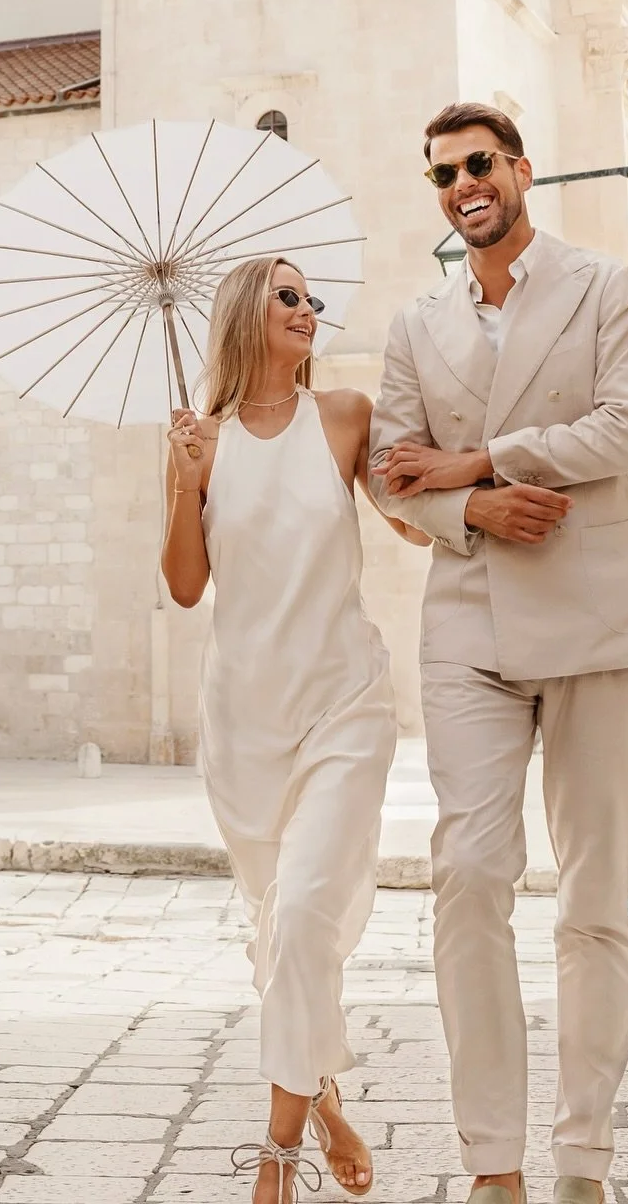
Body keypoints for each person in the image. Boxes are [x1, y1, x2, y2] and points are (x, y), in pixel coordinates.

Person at [369, 103, 628, 1204]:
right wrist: (475, 512)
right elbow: (387, 470)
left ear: (520, 172)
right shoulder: (417, 324)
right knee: (466, 874)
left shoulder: (608, 288)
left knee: (595, 893)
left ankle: (582, 1161)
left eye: (478, 165)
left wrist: (479, 462)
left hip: (598, 609)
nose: (462, 184)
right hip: (468, 616)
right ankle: (492, 1164)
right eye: (443, 174)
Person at [163, 255, 428, 1204]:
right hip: (245, 720)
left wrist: (448, 494)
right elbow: (187, 586)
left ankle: (274, 1161)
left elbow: (410, 518)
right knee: (283, 934)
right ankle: (322, 1101)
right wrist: (188, 483)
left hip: (344, 702)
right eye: (288, 297)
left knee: (308, 910)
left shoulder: (346, 416)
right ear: (247, 314)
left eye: (312, 298)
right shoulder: (202, 439)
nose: (309, 309)